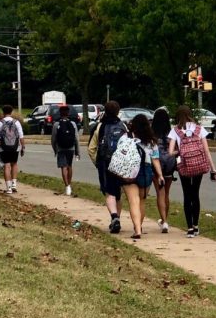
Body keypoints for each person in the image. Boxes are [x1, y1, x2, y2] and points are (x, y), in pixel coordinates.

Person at [168, 105, 216, 238]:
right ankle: (196, 226)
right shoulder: (199, 129)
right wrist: (213, 169)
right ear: (190, 114)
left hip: (184, 165)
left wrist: (180, 152)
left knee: (187, 194)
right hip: (198, 165)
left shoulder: (176, 131)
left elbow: (170, 152)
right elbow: (206, 151)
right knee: (195, 194)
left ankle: (189, 228)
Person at [120, 114, 165, 240]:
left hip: (129, 171)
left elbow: (120, 152)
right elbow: (155, 159)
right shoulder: (151, 141)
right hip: (145, 170)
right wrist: (160, 175)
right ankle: (139, 226)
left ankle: (137, 229)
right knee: (142, 201)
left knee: (133, 201)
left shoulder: (126, 137)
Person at [87, 100, 126, 233]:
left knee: (109, 192)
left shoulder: (100, 127)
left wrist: (97, 162)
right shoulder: (123, 126)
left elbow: (91, 148)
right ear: (117, 111)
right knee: (118, 192)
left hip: (105, 162)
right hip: (120, 163)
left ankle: (114, 217)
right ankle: (117, 218)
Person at [151, 107, 176, 233]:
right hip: (170, 163)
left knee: (159, 193)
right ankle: (165, 220)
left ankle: (164, 220)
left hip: (157, 164)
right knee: (166, 193)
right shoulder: (171, 133)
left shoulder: (152, 133)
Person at [0, 104, 25, 194]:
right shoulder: (17, 122)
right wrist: (23, 147)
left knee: (6, 166)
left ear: (3, 112)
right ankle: (14, 184)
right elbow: (21, 136)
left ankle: (9, 188)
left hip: (4, 147)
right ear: (11, 112)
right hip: (15, 147)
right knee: (14, 164)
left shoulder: (0, 123)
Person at [51, 104, 80, 196]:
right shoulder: (73, 124)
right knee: (69, 166)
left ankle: (67, 186)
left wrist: (55, 149)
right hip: (71, 148)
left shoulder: (56, 124)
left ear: (60, 113)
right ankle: (69, 185)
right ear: (68, 113)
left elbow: (53, 139)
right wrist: (77, 151)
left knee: (63, 167)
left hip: (61, 148)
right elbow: (76, 138)